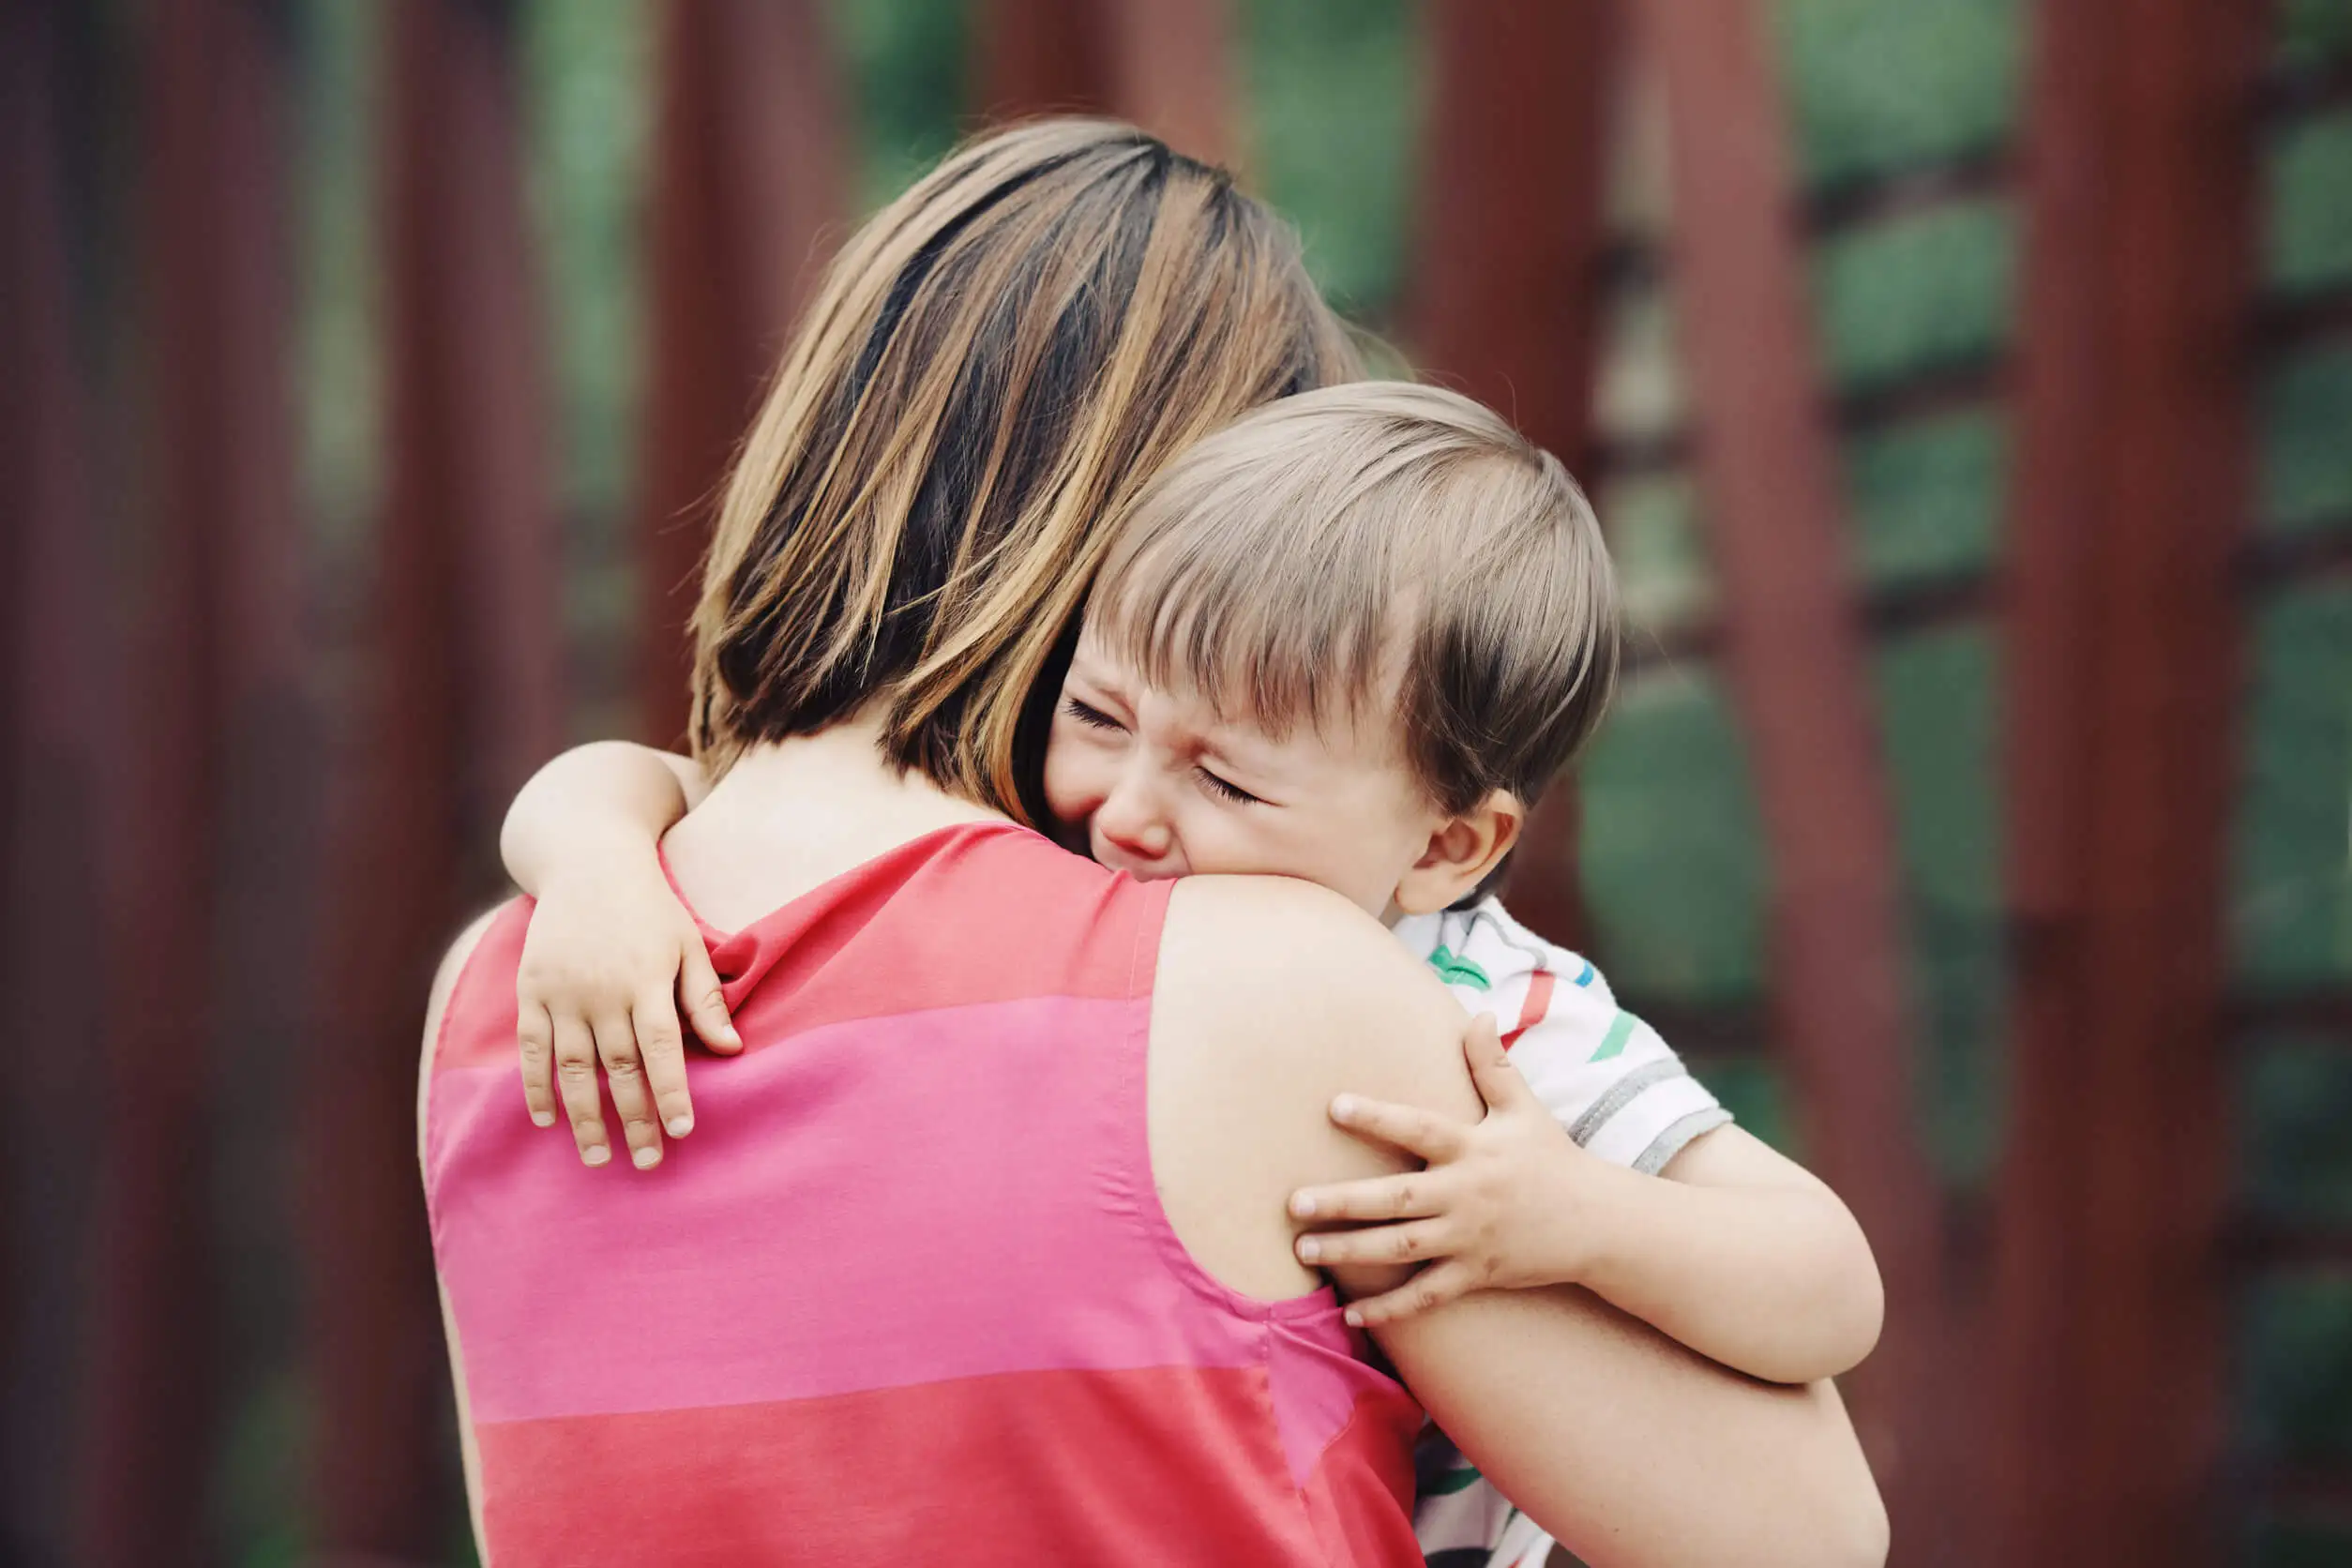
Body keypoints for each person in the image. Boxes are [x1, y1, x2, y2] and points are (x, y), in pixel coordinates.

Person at [422, 119, 1887, 1565]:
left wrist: (594, 852)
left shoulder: (500, 997)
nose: (1133, 811)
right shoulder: (1279, 984)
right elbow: (1808, 1537)